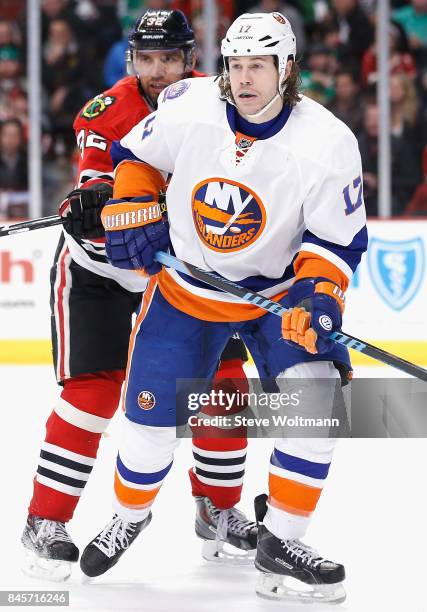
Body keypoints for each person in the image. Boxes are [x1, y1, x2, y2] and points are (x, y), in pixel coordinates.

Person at [79, 11, 367, 604]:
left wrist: (317, 296)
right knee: (147, 424)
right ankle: (130, 515)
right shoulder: (190, 104)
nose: (243, 78)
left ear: (286, 69)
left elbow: (335, 240)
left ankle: (281, 543)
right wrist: (133, 201)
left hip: (276, 296)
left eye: (257, 65)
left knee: (313, 399)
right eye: (236, 64)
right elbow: (140, 157)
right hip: (187, 291)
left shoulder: (328, 140)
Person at [21, 9, 256, 582]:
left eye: (168, 58)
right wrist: (92, 202)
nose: (157, 70)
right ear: (132, 60)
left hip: (180, 275)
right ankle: (45, 522)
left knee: (222, 387)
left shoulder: (217, 105)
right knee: (93, 395)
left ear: (189, 61)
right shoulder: (107, 110)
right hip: (99, 271)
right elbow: (96, 175)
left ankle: (218, 511)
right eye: (147, 59)